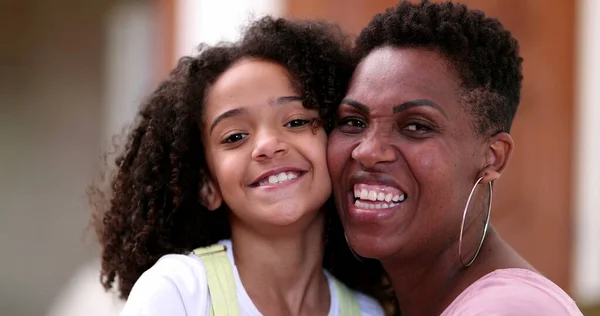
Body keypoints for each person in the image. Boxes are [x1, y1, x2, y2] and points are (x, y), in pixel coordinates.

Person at [88, 16, 394, 316]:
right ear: (207, 186)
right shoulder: (179, 293)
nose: (268, 145)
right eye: (235, 137)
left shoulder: (368, 312)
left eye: (297, 121)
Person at [326, 1, 583, 315]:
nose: (367, 151)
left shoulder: (510, 308)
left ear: (493, 157)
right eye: (354, 121)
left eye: (416, 126)